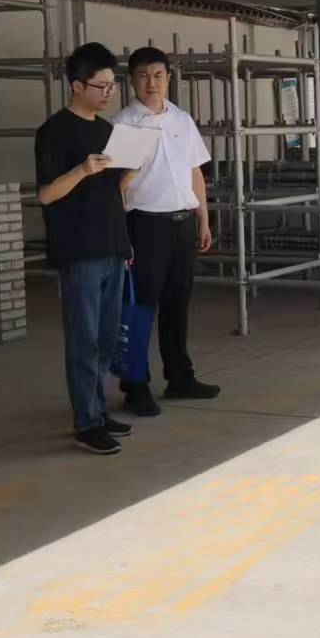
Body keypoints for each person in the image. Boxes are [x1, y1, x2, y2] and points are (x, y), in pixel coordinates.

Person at [36, 42, 136, 456]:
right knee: (84, 339)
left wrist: (132, 167)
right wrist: (81, 169)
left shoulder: (107, 130)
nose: (108, 93)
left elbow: (114, 191)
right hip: (79, 250)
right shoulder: (54, 131)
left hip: (112, 244)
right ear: (77, 85)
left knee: (107, 337)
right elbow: (46, 195)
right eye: (101, 86)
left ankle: (97, 409)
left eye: (113, 86)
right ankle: (86, 422)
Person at [112, 47, 221, 415]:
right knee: (140, 306)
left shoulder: (181, 119)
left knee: (177, 303)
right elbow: (117, 186)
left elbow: (194, 172)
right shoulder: (126, 124)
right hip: (145, 225)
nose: (152, 83)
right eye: (143, 76)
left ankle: (180, 376)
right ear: (131, 81)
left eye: (158, 75)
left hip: (182, 221)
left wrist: (203, 218)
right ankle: (135, 386)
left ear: (169, 79)